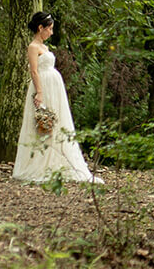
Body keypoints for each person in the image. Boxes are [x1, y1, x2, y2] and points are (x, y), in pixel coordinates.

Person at [12, 12, 102, 184]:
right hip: (43, 86)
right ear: (41, 28)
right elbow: (34, 71)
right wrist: (39, 92)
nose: (51, 33)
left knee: (56, 122)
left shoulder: (44, 47)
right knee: (43, 124)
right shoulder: (33, 47)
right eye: (50, 29)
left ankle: (56, 160)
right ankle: (39, 163)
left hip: (54, 88)